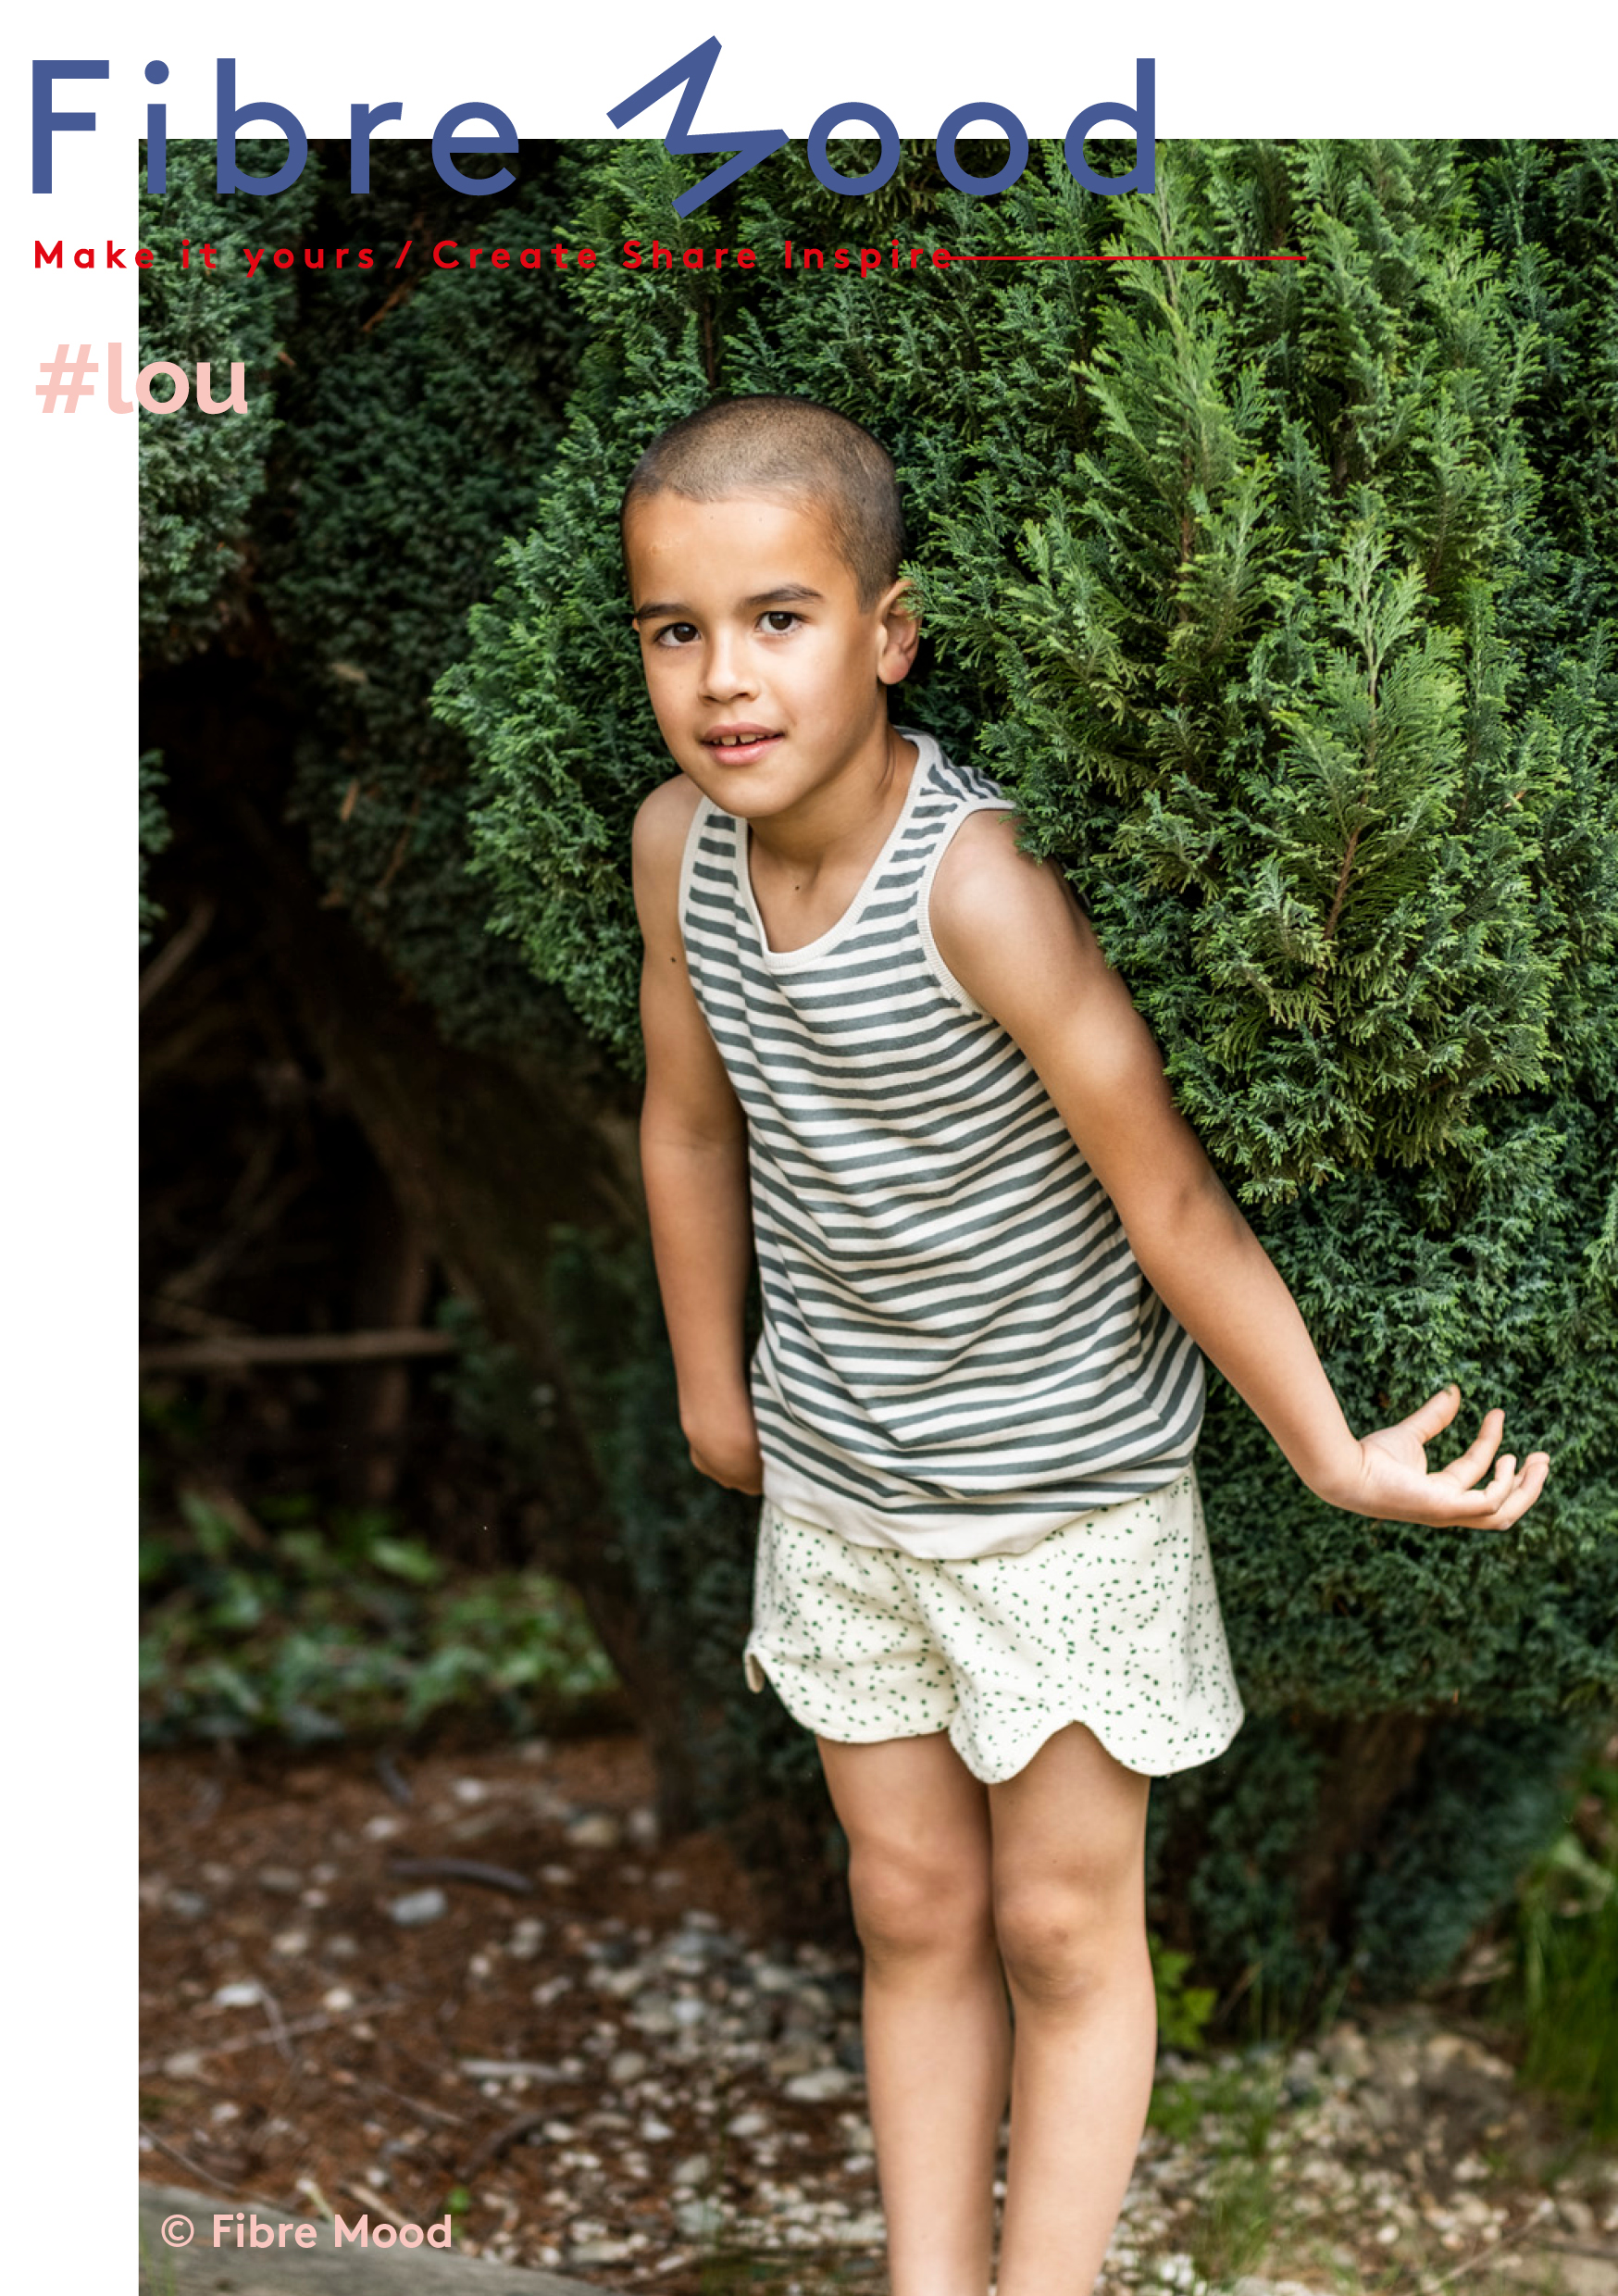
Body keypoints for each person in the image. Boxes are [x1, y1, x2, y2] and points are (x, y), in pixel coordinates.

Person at [625, 394, 1548, 2296]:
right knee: (907, 1904)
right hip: (846, 1489)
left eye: (779, 618)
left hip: (1061, 1502)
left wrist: (1326, 1445)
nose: (726, 678)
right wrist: (714, 1382)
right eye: (675, 630)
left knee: (1057, 1925)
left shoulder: (974, 889)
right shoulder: (678, 854)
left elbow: (1171, 1197)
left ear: (889, 632)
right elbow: (691, 1123)